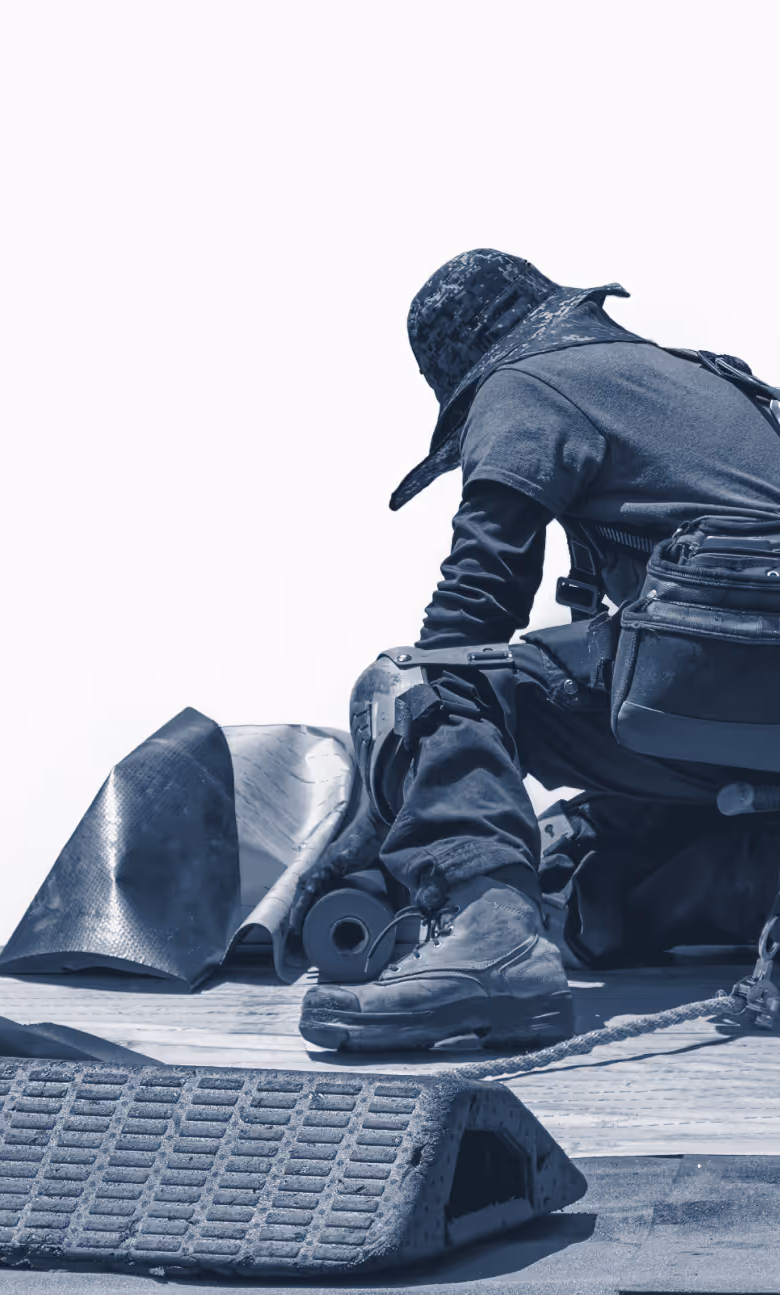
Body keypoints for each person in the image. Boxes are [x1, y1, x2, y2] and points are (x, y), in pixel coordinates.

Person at [296, 249, 780, 1053]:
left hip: (732, 687)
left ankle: (493, 945)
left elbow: (471, 617)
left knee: (415, 683)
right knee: (600, 864)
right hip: (753, 726)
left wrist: (386, 816)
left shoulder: (528, 383)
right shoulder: (700, 379)